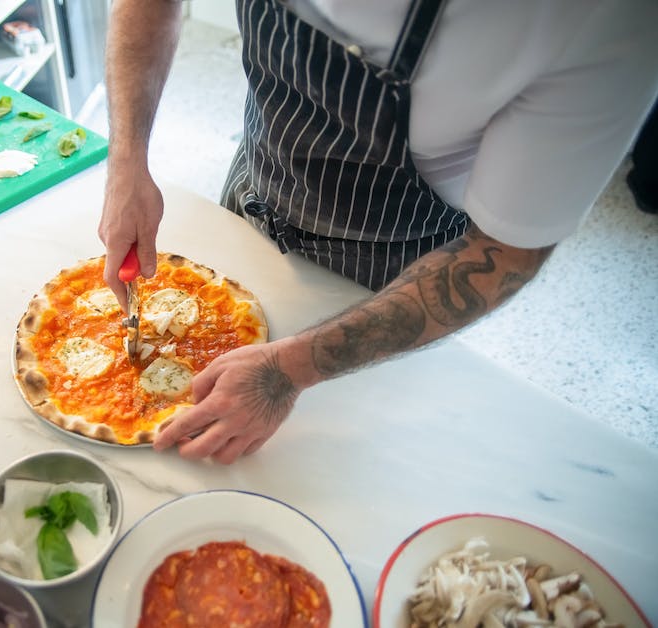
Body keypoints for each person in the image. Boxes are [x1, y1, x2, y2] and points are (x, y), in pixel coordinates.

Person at [98, 0, 658, 464]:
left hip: (390, 273)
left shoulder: (602, 21)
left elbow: (507, 253)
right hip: (258, 183)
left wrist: (290, 369)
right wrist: (127, 160)